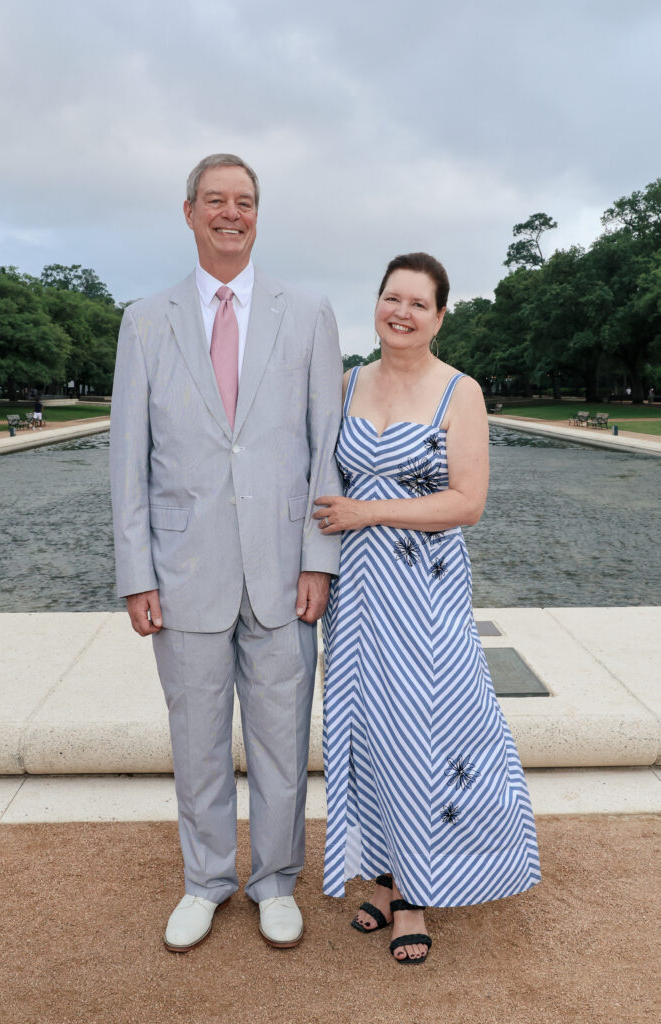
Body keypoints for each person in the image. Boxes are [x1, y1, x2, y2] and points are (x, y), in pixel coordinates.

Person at [110, 153, 343, 952]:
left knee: (283, 743)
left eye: (244, 201)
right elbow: (127, 461)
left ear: (257, 214)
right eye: (215, 200)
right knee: (197, 741)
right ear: (188, 213)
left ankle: (274, 881)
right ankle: (206, 880)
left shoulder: (308, 313)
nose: (230, 213)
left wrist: (319, 559)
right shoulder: (144, 319)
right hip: (183, 576)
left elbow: (326, 448)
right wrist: (136, 572)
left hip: (285, 575)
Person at [314, 252, 540, 965]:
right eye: (391, 298)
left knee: (425, 731)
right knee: (366, 730)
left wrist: (364, 511)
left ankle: (416, 892)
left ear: (439, 316)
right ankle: (383, 878)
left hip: (425, 594)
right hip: (354, 594)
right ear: (375, 305)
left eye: (418, 303)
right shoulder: (344, 383)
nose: (401, 312)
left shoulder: (459, 391)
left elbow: (465, 503)